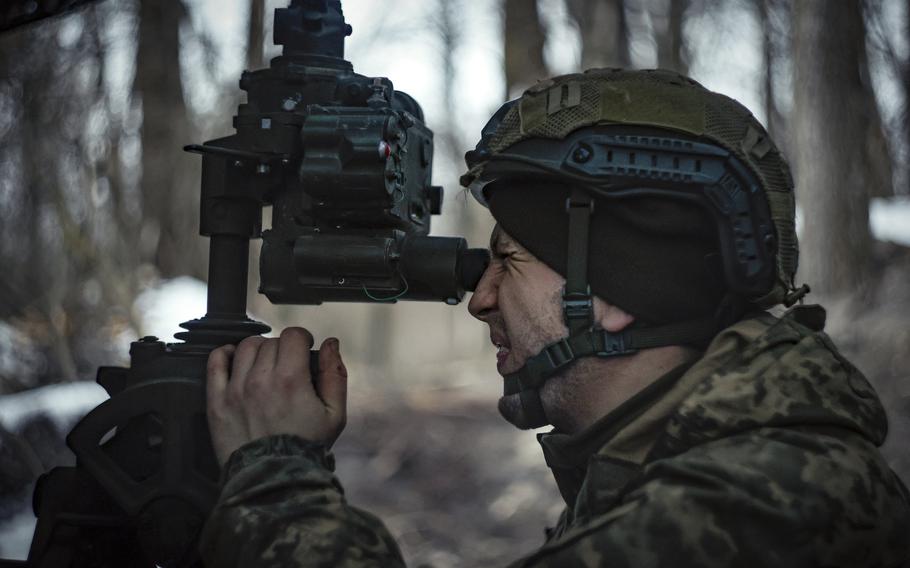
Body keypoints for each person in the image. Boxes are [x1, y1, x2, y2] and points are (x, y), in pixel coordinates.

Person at [198, 69, 910, 567]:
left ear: (612, 291)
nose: (480, 298)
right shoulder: (685, 461)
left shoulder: (769, 498)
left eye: (509, 258)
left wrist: (276, 476)